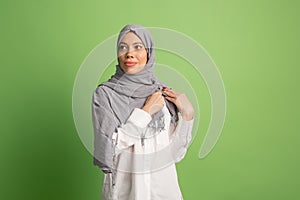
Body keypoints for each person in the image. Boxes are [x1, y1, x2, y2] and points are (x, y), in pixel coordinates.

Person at [92, 24, 194, 200]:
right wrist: (145, 113)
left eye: (138, 47)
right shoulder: (105, 94)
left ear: (149, 52)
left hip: (163, 192)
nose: (129, 53)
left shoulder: (161, 94)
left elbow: (174, 154)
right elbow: (109, 150)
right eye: (123, 47)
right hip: (125, 193)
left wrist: (187, 115)